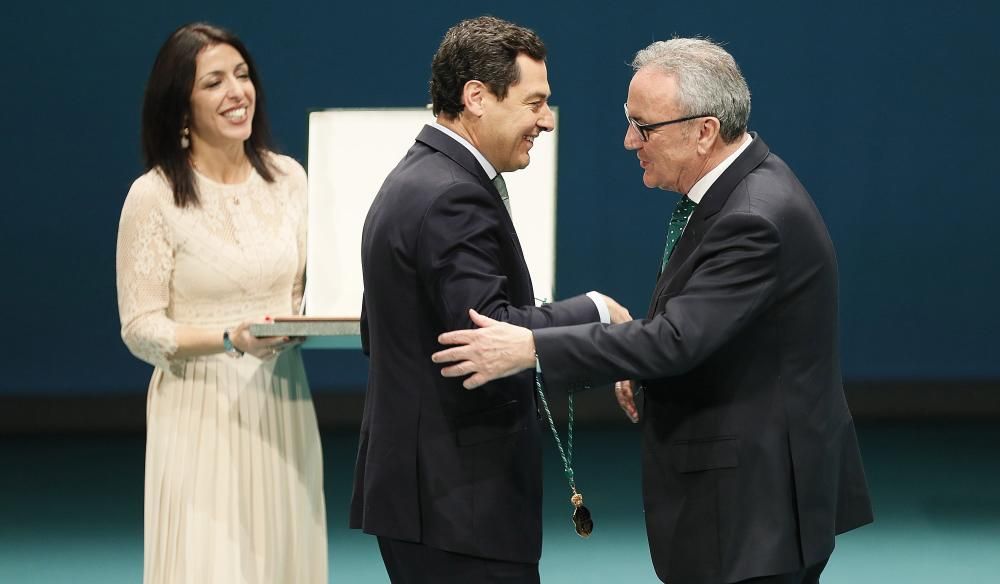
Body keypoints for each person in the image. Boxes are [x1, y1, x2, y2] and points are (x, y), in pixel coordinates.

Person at [432, 38, 874, 584]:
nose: (628, 141)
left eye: (643, 127)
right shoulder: (738, 192)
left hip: (757, 511)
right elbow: (709, 329)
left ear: (704, 130)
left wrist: (531, 346)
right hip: (748, 500)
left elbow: (678, 339)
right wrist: (638, 363)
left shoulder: (754, 216)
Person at [350, 15, 630, 584]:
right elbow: (489, 332)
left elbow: (375, 333)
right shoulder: (453, 194)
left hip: (429, 501)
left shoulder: (419, 178)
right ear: (476, 97)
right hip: (458, 506)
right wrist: (599, 311)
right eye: (534, 103)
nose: (546, 121)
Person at [115, 23, 326, 584]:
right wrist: (230, 339)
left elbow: (309, 293)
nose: (238, 92)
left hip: (283, 402)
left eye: (242, 75)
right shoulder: (154, 196)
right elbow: (139, 327)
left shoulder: (290, 180)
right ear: (181, 107)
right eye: (214, 82)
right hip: (198, 413)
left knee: (284, 561)